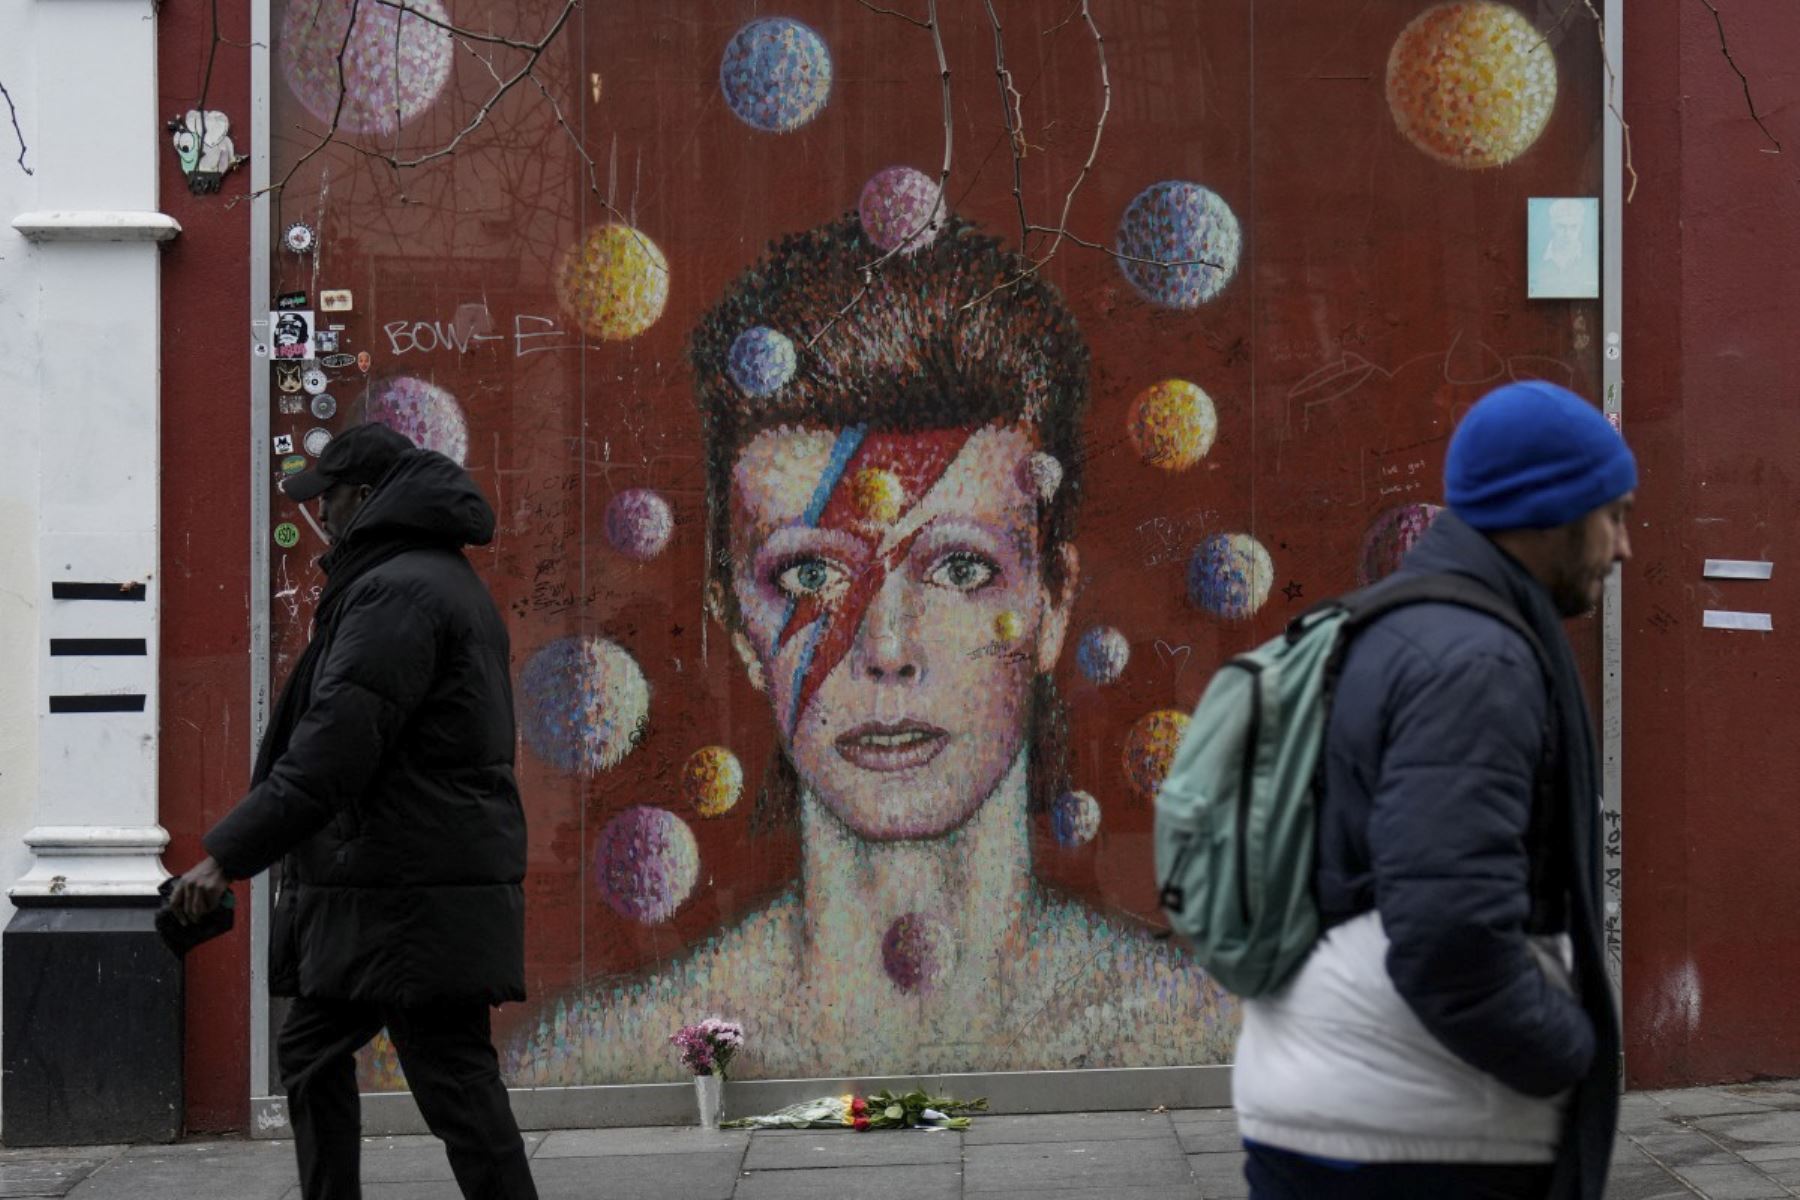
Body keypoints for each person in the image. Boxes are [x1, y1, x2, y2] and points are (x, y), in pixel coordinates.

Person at [505, 214, 1235, 1085]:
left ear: (1051, 603)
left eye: (961, 567)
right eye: (811, 574)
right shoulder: (606, 1061)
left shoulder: (1196, 1037)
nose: (885, 648)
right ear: (738, 625)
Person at [1232, 380, 1631, 1199]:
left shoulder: (1407, 623)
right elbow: (1451, 937)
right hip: (1415, 1131)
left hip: (1359, 1100)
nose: (1623, 547)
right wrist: (1570, 1049)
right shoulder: (1473, 664)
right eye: (1613, 514)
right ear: (1549, 513)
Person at [167, 422, 536, 1200]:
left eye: (326, 498)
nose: (317, 516)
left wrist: (224, 856)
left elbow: (332, 751)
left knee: (453, 1084)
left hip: (407, 890)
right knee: (321, 1052)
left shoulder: (398, 592)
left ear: (364, 498)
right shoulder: (414, 580)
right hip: (397, 885)